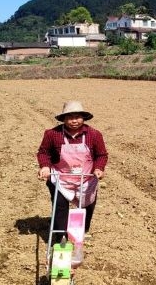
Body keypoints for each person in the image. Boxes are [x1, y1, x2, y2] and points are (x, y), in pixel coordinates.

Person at [37, 101, 108, 241]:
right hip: (61, 178)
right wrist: (45, 166)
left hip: (86, 177)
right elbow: (43, 152)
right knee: (60, 206)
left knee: (87, 205)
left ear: (83, 118)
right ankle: (61, 236)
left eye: (77, 117)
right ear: (63, 119)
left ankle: (82, 230)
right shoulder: (52, 134)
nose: (74, 121)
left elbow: (101, 155)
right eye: (70, 117)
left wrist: (99, 168)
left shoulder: (94, 135)